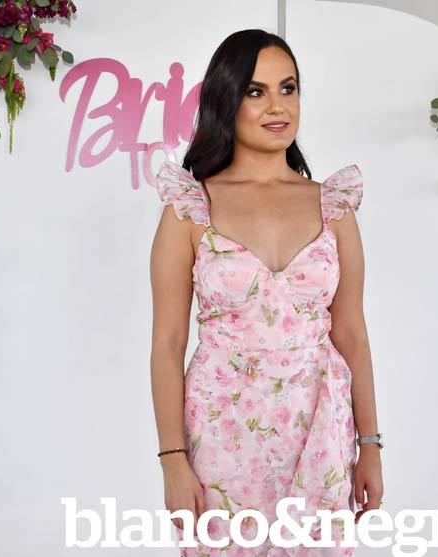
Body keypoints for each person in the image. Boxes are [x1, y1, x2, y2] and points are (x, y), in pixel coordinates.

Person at [149, 29, 383, 556]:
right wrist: (172, 460)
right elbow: (167, 343)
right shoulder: (191, 207)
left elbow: (351, 332)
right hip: (222, 433)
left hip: (320, 430)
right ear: (226, 100)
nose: (278, 106)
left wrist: (370, 445)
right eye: (256, 91)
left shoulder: (333, 206)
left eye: (288, 88)